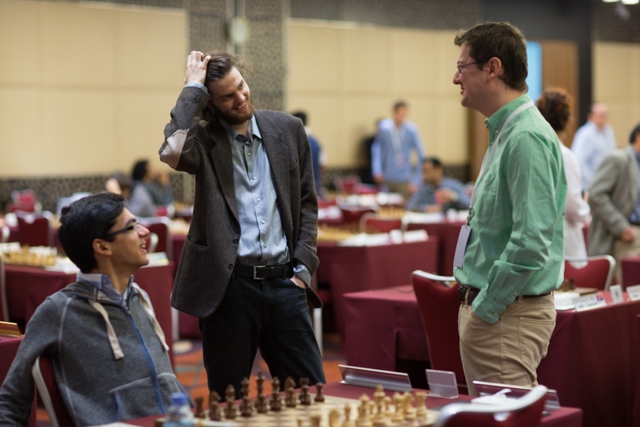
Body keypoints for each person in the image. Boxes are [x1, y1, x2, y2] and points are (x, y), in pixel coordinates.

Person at [158, 51, 326, 398]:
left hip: (286, 283)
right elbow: (172, 152)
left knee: (310, 392)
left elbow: (308, 203)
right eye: (226, 96)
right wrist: (192, 88)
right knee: (229, 399)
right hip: (229, 289)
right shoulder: (203, 140)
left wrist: (303, 269)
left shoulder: (288, 129)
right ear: (210, 103)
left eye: (241, 86)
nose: (240, 98)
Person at [451, 22, 567, 395]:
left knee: (508, 419)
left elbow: (531, 241)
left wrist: (485, 308)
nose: (456, 78)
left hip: (504, 315)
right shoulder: (506, 131)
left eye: (462, 67)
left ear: (493, 67)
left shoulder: (526, 136)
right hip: (499, 313)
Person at [0, 193, 184, 425]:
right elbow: (12, 400)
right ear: (102, 246)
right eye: (131, 227)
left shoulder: (139, 297)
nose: (145, 231)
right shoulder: (59, 311)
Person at [537, 88, 590, 259]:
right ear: (567, 120)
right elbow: (573, 208)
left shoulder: (534, 150)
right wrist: (584, 205)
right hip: (562, 241)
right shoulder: (564, 156)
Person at [588, 123, 640, 281]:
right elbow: (595, 195)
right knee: (630, 288)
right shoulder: (618, 159)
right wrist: (620, 226)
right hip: (626, 236)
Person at [371, 101, 425, 199]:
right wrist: (377, 170)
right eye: (400, 113)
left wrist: (416, 181)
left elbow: (421, 154)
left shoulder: (411, 130)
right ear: (394, 112)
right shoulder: (384, 128)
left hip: (404, 178)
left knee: (404, 204)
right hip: (387, 177)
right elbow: (377, 150)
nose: (402, 116)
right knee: (386, 204)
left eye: (405, 113)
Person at [571, 102, 617, 190]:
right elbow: (579, 160)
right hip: (590, 185)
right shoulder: (584, 134)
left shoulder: (608, 131)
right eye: (600, 115)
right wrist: (593, 181)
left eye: (605, 115)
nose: (604, 117)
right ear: (591, 116)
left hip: (607, 182)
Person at [406, 157, 471, 213]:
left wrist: (454, 197)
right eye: (423, 172)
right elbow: (409, 205)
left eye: (427, 171)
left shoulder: (454, 186)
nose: (424, 175)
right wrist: (426, 208)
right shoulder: (424, 189)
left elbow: (469, 206)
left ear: (438, 170)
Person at [292, 110, 327, 196]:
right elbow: (322, 166)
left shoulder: (292, 142)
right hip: (314, 188)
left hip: (296, 190)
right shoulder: (316, 142)